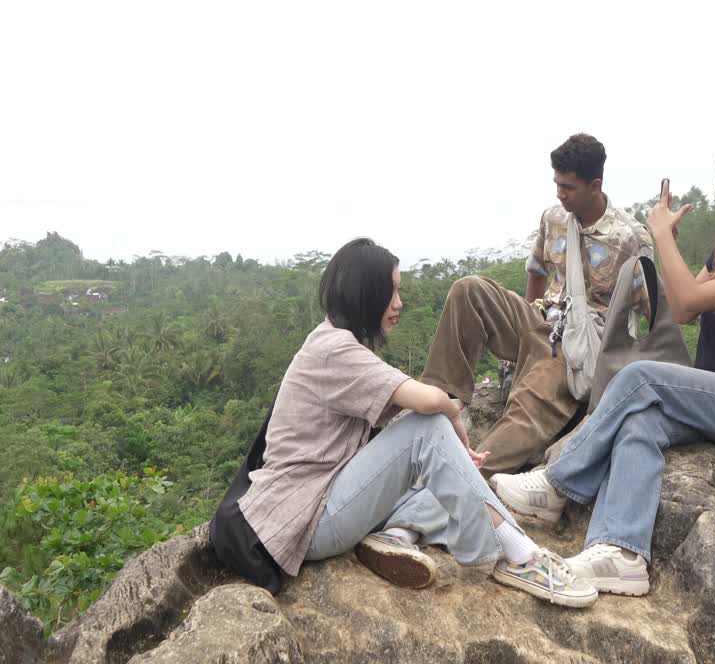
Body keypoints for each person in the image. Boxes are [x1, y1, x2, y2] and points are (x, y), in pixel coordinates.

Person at [492, 137, 715, 597]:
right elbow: (682, 310)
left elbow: (688, 300)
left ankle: (556, 482)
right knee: (640, 421)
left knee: (641, 376)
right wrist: (668, 245)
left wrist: (660, 235)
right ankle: (621, 553)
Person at [237, 237, 598, 608]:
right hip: (304, 521)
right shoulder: (333, 350)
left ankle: (398, 532)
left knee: (444, 470)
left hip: (321, 500)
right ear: (366, 293)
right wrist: (453, 415)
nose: (399, 303)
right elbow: (428, 401)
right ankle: (515, 554)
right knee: (426, 429)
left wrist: (452, 447)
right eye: (390, 291)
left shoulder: (334, 341)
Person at [421, 133, 654, 478]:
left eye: (569, 187)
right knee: (468, 289)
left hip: (582, 345)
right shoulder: (554, 217)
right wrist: (528, 327)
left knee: (529, 401)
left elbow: (649, 313)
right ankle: (440, 401)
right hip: (544, 318)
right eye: (557, 183)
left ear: (595, 185)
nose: (560, 193)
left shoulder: (629, 238)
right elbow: (537, 273)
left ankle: (462, 476)